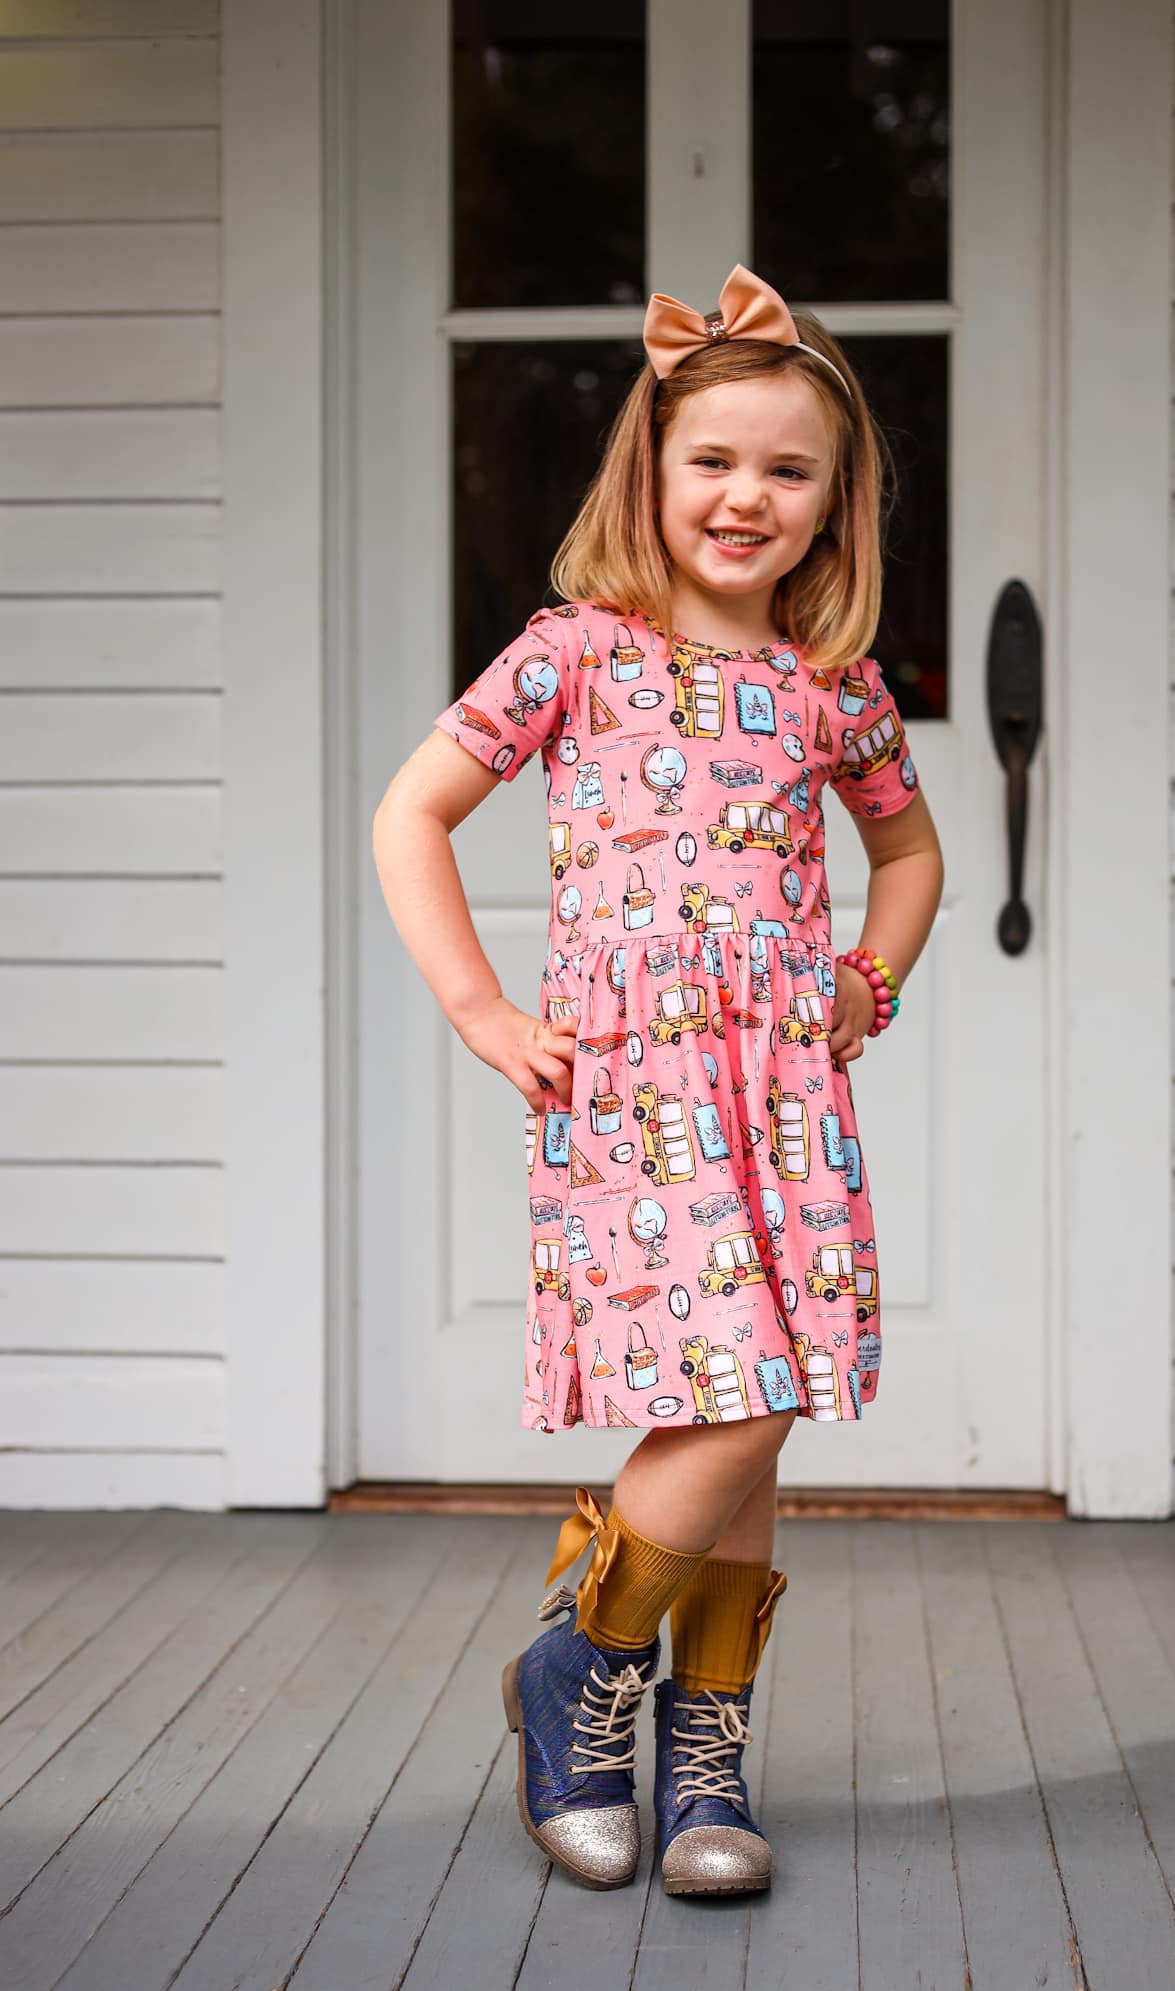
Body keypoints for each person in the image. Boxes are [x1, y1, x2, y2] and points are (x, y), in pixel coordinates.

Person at [372, 264, 945, 1900]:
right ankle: (580, 1670)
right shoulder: (574, 657)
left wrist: (865, 982)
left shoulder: (832, 686)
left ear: (835, 505)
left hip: (781, 1092)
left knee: (740, 1416)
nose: (744, 496)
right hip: (632, 1084)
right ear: (650, 472)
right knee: (741, 1390)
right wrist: (481, 1006)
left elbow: (906, 855)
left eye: (787, 469)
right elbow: (409, 815)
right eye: (712, 461)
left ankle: (703, 1762)